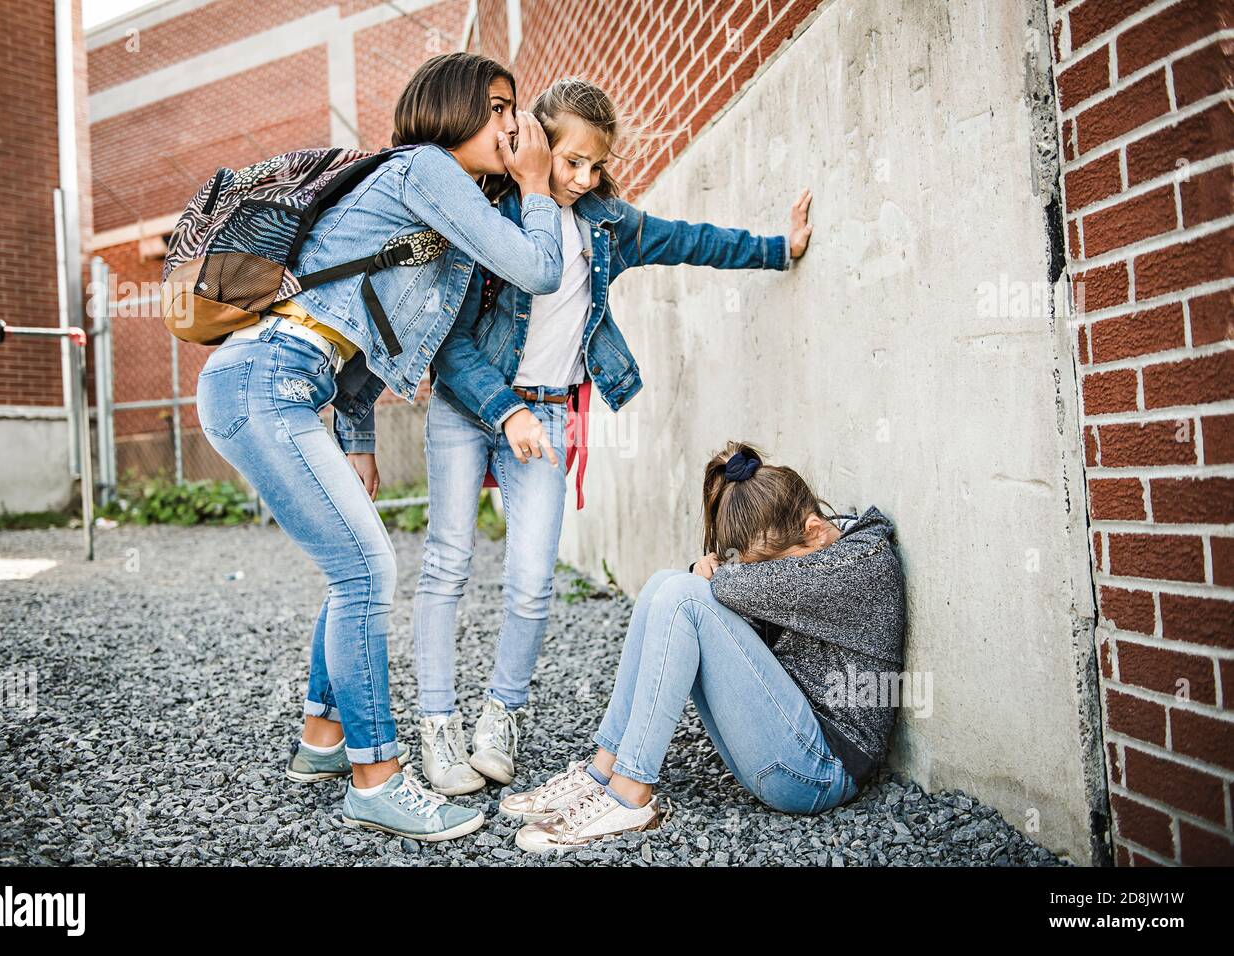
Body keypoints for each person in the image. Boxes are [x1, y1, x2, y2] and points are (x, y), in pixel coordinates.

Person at [195, 52, 564, 843]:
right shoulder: (426, 168)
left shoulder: (439, 215)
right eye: (499, 106)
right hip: (267, 378)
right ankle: (378, 777)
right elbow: (537, 269)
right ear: (452, 108)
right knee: (367, 569)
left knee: (350, 562)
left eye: (517, 109)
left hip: (292, 382)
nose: (512, 122)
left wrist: (357, 438)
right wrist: (535, 186)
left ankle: (324, 738)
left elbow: (368, 331)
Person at [412, 77, 817, 796]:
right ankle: (438, 725)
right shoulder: (488, 214)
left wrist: (778, 247)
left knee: (533, 583)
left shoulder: (604, 226)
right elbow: (445, 339)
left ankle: (499, 714)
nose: (582, 178)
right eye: (569, 161)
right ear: (535, 143)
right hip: (468, 408)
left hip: (550, 413)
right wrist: (504, 408)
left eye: (595, 165)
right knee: (447, 561)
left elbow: (689, 240)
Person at [501, 442, 907, 853]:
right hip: (787, 742)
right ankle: (601, 771)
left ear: (816, 531)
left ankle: (630, 795)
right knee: (664, 583)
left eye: (766, 567)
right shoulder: (820, 544)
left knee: (684, 594)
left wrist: (710, 572)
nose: (759, 575)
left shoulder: (859, 565)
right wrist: (710, 572)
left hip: (818, 773)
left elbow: (727, 589)